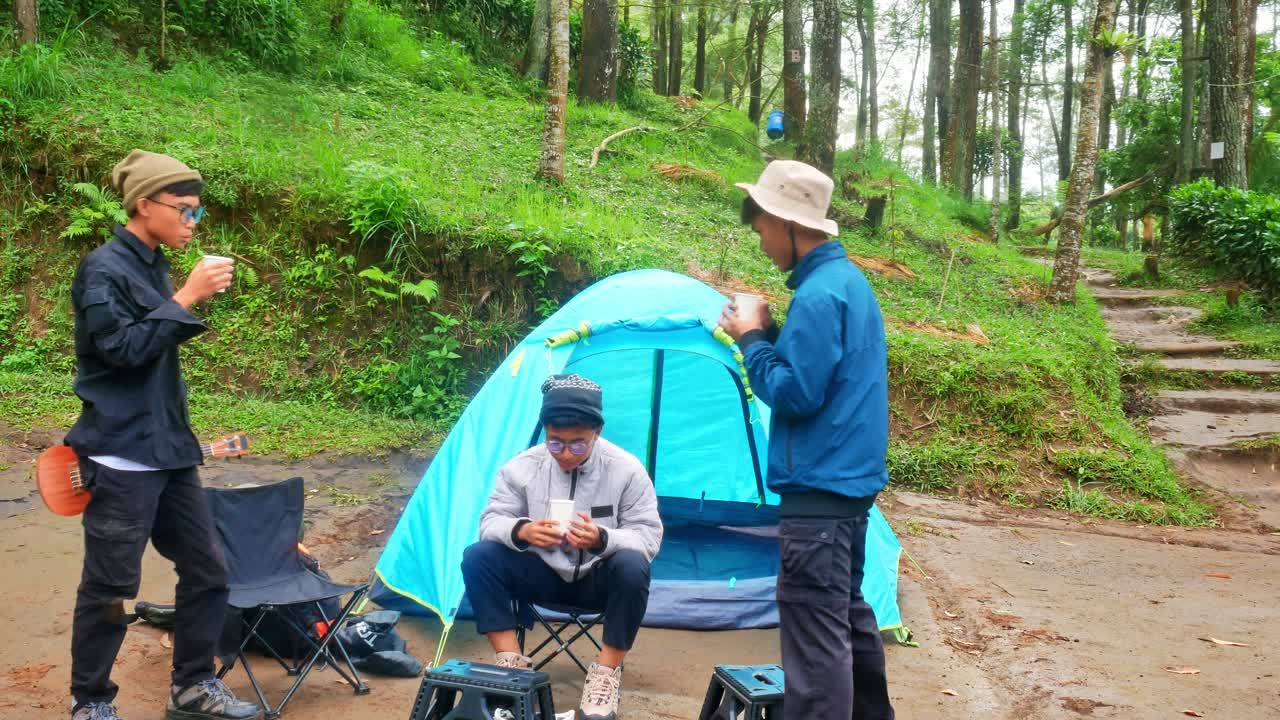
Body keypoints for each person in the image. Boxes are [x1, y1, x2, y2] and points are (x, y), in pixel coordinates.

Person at [64, 150, 260, 720]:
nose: (192, 224)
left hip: (168, 450)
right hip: (121, 453)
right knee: (109, 586)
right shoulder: (102, 269)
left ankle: (192, 687)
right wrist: (187, 298)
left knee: (208, 570)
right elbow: (120, 352)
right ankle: (91, 701)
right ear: (144, 205)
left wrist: (179, 296)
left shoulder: (153, 263)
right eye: (185, 211)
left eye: (198, 213)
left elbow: (152, 347)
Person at [717, 160, 895, 719]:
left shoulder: (820, 297)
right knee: (846, 618)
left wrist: (749, 341)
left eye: (763, 230)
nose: (762, 243)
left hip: (818, 492)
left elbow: (795, 394)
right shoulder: (847, 284)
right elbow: (822, 376)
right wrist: (769, 334)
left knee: (815, 646)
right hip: (846, 487)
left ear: (784, 222)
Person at [461, 373, 663, 720]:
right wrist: (522, 530)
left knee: (633, 565)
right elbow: (489, 523)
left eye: (578, 444)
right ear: (545, 433)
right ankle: (512, 668)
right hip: (541, 575)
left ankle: (605, 676)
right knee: (478, 557)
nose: (566, 453)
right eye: (556, 443)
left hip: (597, 581)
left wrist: (604, 539)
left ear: (597, 433)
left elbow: (648, 535)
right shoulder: (522, 468)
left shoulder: (626, 470)